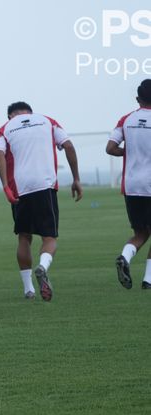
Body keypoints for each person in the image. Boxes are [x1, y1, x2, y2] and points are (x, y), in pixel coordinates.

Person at [0, 101, 82, 301]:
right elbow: (68, 145)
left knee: (24, 237)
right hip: (45, 186)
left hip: (20, 189)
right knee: (49, 238)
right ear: (30, 112)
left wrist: (6, 186)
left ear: (10, 116)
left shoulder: (5, 128)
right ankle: (43, 266)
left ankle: (28, 289)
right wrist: (76, 178)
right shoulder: (47, 121)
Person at [107, 79, 151, 290]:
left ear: (137, 98)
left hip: (132, 186)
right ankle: (149, 279)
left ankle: (125, 255)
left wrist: (129, 151)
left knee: (141, 233)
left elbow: (110, 147)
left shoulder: (126, 119)